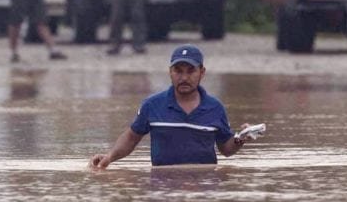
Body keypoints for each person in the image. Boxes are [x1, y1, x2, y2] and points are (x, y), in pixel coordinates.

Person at [89, 44, 257, 168]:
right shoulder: (152, 105)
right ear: (170, 72)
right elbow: (131, 138)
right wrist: (110, 157)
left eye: (190, 71)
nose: (184, 77)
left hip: (204, 188)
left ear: (202, 72)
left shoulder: (215, 108)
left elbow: (226, 149)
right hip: (162, 188)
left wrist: (240, 138)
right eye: (178, 71)